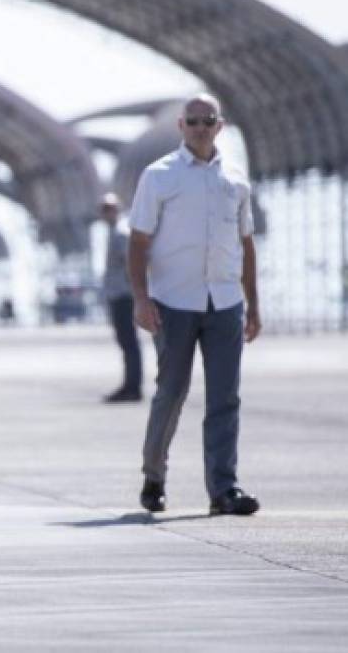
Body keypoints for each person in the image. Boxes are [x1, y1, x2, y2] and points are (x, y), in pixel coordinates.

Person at [127, 93, 261, 516]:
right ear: (181, 127)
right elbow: (138, 241)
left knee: (225, 398)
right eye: (194, 122)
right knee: (171, 392)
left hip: (225, 302)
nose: (201, 128)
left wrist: (253, 306)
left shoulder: (237, 179)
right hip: (173, 303)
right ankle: (154, 475)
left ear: (220, 127)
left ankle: (224, 489)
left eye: (209, 121)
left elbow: (246, 243)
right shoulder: (159, 176)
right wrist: (141, 300)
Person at [99, 192, 142, 403]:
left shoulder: (121, 233)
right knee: (126, 342)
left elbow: (131, 264)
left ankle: (133, 386)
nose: (107, 213)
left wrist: (136, 294)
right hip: (118, 294)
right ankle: (130, 384)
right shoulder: (113, 232)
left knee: (129, 342)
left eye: (110, 209)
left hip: (124, 295)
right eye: (105, 209)